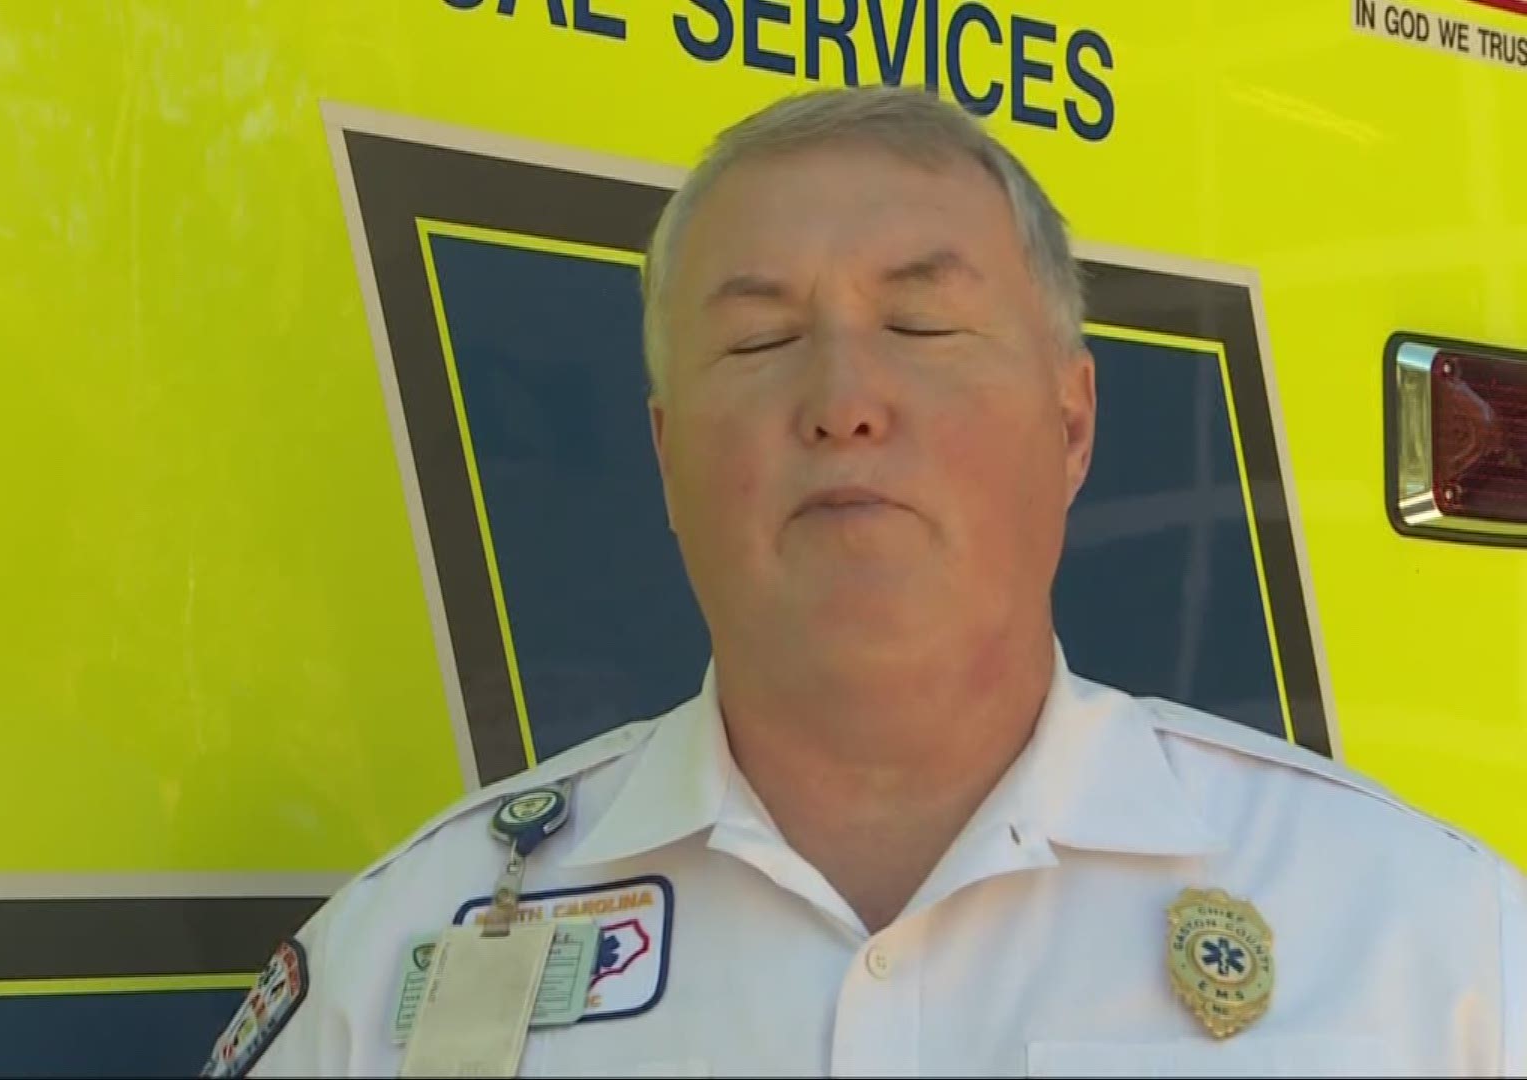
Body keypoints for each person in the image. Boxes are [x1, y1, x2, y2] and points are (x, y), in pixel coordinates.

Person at [200, 87, 1526, 1077]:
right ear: (667, 457)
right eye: (761, 336)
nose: (842, 401)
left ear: (1072, 426)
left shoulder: (1431, 952)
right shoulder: (397, 971)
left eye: (921, 325)